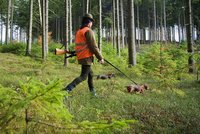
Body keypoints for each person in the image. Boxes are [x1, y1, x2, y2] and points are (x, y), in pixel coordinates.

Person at [63, 13, 104, 96]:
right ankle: (66, 90)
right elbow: (93, 46)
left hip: (81, 56)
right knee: (83, 76)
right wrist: (100, 58)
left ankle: (93, 94)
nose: (92, 24)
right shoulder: (88, 31)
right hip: (86, 57)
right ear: (89, 22)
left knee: (90, 74)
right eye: (91, 22)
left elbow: (82, 45)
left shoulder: (79, 31)